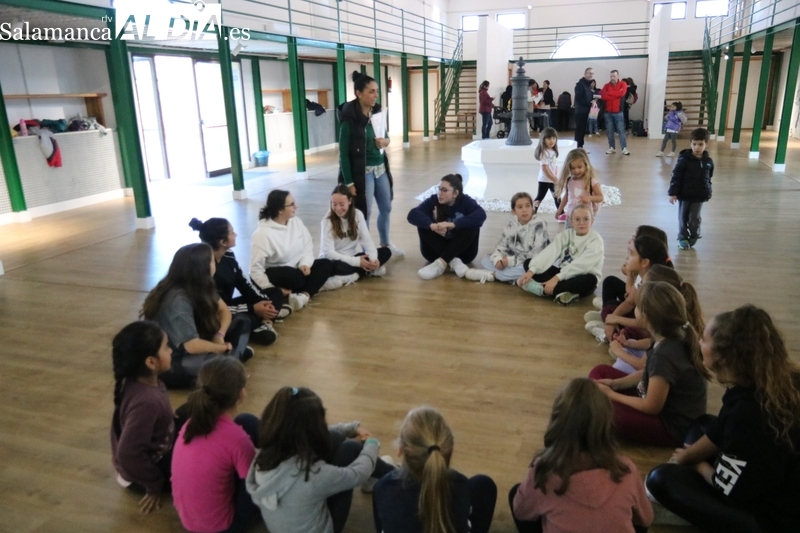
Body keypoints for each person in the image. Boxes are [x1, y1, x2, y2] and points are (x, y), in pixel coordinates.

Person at [646, 305, 800, 533]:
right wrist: (687, 456)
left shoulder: (747, 415)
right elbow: (720, 428)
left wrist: (697, 465)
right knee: (701, 425)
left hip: (771, 519)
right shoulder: (766, 380)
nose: (699, 342)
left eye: (704, 339)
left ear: (723, 355)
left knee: (659, 479)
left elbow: (728, 490)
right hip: (774, 478)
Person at [510, 378, 653, 533]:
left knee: (516, 493)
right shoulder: (626, 470)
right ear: (607, 424)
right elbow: (646, 519)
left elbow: (520, 511)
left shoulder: (543, 473)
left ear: (556, 422)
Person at [246, 387, 394, 533]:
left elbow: (321, 434)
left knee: (335, 438)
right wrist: (372, 445)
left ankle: (377, 476)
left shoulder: (265, 456)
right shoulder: (312, 475)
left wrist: (351, 428)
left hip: (287, 523)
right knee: (350, 448)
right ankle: (395, 475)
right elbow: (357, 474)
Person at [590, 281, 709, 447]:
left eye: (637, 307)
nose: (634, 309)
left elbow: (652, 407)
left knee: (607, 414)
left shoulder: (665, 353)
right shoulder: (670, 335)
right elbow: (649, 372)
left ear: (645, 318)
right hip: (658, 401)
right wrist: (615, 384)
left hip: (672, 427)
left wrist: (611, 395)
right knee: (600, 372)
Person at [141, 243, 253, 389]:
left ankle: (231, 361)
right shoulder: (176, 300)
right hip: (171, 361)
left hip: (195, 346)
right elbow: (191, 346)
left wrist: (219, 335)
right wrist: (221, 348)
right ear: (203, 268)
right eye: (212, 261)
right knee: (216, 366)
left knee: (243, 321)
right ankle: (232, 363)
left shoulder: (199, 285)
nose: (215, 264)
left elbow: (224, 311)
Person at [373, 406, 497, 533]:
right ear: (448, 450)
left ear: (400, 450)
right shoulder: (461, 486)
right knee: (484, 484)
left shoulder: (384, 487)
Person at [171, 357, 260, 533]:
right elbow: (253, 482)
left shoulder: (190, 423)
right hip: (223, 527)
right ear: (241, 393)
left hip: (188, 519)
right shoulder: (237, 439)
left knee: (244, 421)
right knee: (257, 474)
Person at [110, 321, 176, 514]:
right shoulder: (147, 402)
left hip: (155, 448)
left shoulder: (137, 382)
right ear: (151, 362)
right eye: (166, 347)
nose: (171, 350)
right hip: (144, 475)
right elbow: (128, 453)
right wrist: (154, 484)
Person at [337, 71, 403, 257]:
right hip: (362, 173)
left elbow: (386, 137)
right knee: (364, 212)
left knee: (386, 208)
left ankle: (385, 243)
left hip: (380, 169)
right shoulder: (349, 120)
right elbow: (343, 154)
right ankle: (368, 252)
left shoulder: (377, 113)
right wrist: (349, 182)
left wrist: (386, 142)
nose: (376, 95)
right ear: (359, 93)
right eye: (372, 91)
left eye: (377, 91)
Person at [190, 217, 279, 346]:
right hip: (215, 314)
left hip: (229, 306)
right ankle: (252, 329)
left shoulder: (229, 255)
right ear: (223, 242)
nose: (236, 234)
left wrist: (264, 302)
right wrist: (252, 308)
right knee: (243, 319)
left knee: (274, 293)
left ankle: (266, 323)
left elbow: (243, 284)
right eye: (232, 232)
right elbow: (212, 310)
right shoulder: (204, 267)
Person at [607, 265, 704, 375]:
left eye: (638, 307)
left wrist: (619, 352)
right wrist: (628, 343)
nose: (639, 286)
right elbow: (651, 342)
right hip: (655, 367)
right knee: (630, 345)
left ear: (646, 316)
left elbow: (643, 366)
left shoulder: (665, 345)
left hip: (655, 375)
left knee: (610, 369)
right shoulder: (669, 324)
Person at [249, 189, 335, 312]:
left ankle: (304, 296)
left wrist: (305, 263)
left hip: (298, 269)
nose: (296, 206)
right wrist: (274, 290)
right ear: (280, 210)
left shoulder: (296, 221)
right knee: (293, 277)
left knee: (326, 264)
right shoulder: (262, 234)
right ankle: (306, 287)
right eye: (292, 204)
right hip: (279, 272)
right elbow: (255, 270)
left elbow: (307, 245)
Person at [588, 235, 672, 344]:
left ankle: (611, 335)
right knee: (609, 308)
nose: (627, 257)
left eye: (631, 254)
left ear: (645, 262)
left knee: (628, 333)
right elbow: (629, 302)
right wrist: (613, 318)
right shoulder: (642, 276)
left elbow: (645, 324)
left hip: (648, 331)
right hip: (637, 318)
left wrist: (616, 319)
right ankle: (610, 327)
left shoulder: (652, 286)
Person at [516, 204, 604, 306]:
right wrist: (532, 271)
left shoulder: (596, 240)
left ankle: (542, 290)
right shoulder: (565, 235)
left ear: (592, 221)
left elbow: (582, 266)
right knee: (529, 263)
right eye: (577, 219)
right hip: (563, 274)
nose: (581, 223)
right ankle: (564, 292)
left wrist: (556, 279)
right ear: (571, 222)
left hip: (581, 276)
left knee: (591, 280)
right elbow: (550, 252)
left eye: (586, 219)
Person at [407, 173, 487, 280]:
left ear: (455, 193)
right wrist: (432, 225)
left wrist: (453, 224)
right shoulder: (434, 200)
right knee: (423, 224)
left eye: (444, 190)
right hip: (434, 253)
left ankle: (441, 263)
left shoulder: (465, 201)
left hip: (464, 254)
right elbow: (412, 214)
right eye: (439, 189)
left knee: (472, 225)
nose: (440, 193)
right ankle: (453, 261)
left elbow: (481, 215)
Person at [463, 192, 550, 283]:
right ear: (514, 210)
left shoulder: (540, 224)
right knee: (485, 259)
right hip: (513, 260)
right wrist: (498, 260)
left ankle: (493, 275)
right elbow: (501, 246)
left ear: (532, 208)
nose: (524, 210)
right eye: (520, 207)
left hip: (531, 262)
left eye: (528, 206)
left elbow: (537, 253)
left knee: (528, 267)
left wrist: (510, 261)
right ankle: (512, 277)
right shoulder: (512, 224)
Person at [319, 184, 391, 284]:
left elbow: (367, 241)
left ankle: (353, 275)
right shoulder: (327, 221)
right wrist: (357, 262)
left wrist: (373, 260)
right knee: (334, 267)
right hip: (334, 260)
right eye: (334, 204)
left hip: (352, 256)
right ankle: (365, 272)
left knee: (386, 251)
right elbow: (328, 253)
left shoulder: (358, 215)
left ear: (350, 201)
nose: (338, 208)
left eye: (342, 204)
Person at [668, 128, 713, 250]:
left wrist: (708, 191)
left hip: (699, 195)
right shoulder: (684, 160)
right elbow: (676, 176)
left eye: (700, 144)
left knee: (694, 217)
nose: (697, 147)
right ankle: (682, 237)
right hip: (685, 194)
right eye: (694, 144)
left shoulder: (708, 162)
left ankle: (694, 234)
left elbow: (708, 177)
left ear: (707, 144)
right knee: (683, 217)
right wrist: (673, 193)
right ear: (690, 143)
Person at [553, 148, 603, 225]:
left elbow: (600, 197)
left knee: (582, 233)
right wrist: (559, 210)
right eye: (573, 168)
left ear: (586, 165)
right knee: (569, 232)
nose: (576, 171)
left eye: (579, 167)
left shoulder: (591, 181)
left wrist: (590, 198)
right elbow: (566, 196)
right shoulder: (569, 180)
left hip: (584, 218)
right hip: (571, 216)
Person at [601, 70, 629, 156]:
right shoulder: (606, 86)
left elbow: (622, 93)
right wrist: (616, 95)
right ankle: (611, 147)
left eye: (614, 76)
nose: (612, 78)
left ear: (618, 76)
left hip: (618, 112)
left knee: (621, 131)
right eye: (611, 76)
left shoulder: (623, 84)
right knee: (610, 131)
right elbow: (603, 96)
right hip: (608, 112)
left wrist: (609, 93)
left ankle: (624, 148)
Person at [533, 127, 560, 214]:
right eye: (549, 138)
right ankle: (531, 212)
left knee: (557, 196)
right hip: (544, 180)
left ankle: (561, 213)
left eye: (553, 138)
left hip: (552, 179)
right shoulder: (544, 152)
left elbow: (554, 166)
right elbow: (545, 168)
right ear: (543, 140)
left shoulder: (553, 151)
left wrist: (555, 177)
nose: (552, 141)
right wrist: (554, 179)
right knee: (539, 198)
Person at [573, 67, 595, 148]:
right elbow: (579, 98)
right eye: (589, 73)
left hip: (586, 110)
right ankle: (578, 146)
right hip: (580, 111)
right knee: (580, 129)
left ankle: (580, 146)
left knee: (583, 130)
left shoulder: (588, 85)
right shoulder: (580, 85)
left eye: (592, 73)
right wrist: (589, 103)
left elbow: (588, 97)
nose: (591, 75)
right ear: (585, 74)